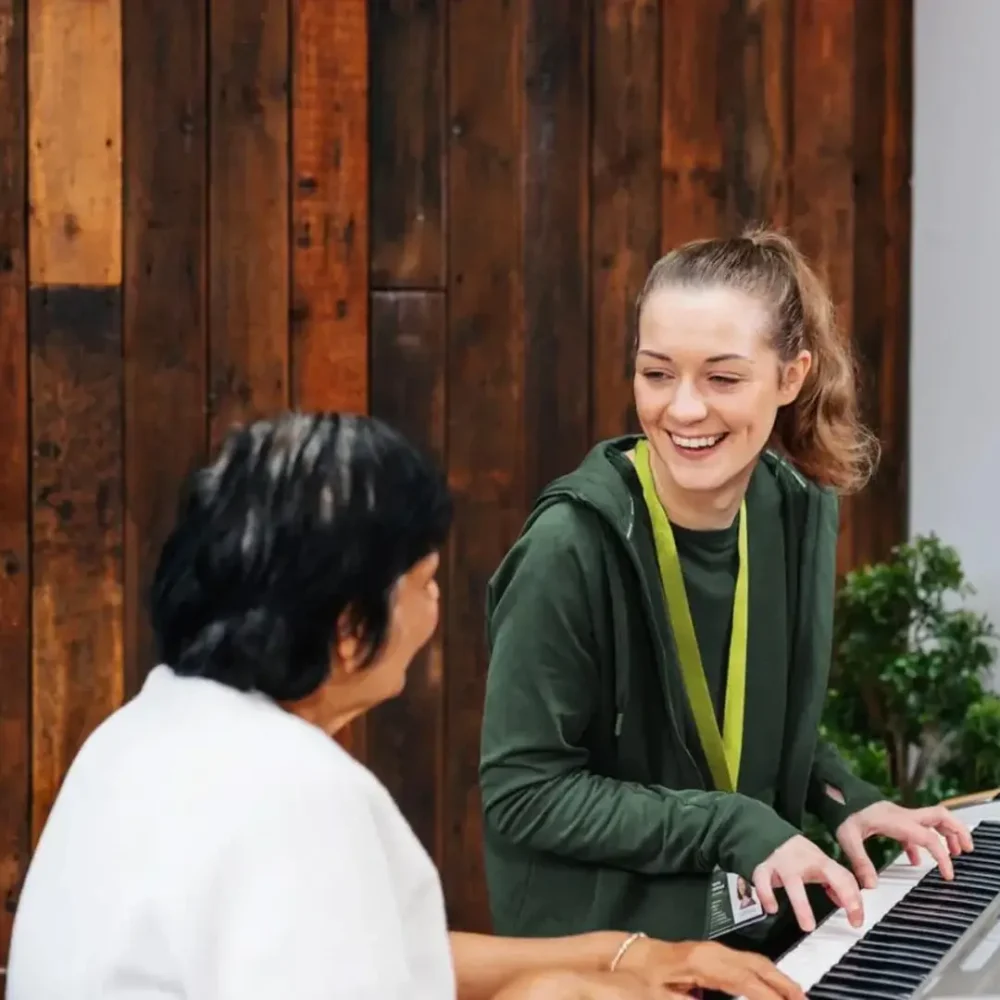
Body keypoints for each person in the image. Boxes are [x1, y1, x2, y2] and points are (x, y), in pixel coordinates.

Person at [5, 412, 802, 1000]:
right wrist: (554, 994)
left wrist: (626, 955)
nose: (434, 604)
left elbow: (385, 957)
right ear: (351, 632)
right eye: (422, 582)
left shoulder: (140, 734)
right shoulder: (295, 792)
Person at [478, 229, 974, 961]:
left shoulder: (792, 510)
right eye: (656, 374)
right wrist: (731, 824)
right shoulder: (568, 547)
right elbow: (522, 793)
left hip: (750, 944)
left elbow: (757, 722)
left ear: (791, 376)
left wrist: (846, 796)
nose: (682, 410)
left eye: (722, 378)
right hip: (607, 964)